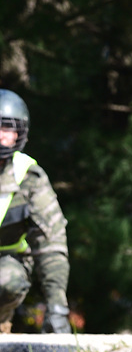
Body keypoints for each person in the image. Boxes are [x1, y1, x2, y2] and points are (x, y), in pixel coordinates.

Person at [0, 90, 71, 333]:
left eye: (7, 128)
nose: (0, 135)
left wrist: (57, 309)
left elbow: (51, 244)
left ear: (19, 134)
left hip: (5, 265)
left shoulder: (29, 177)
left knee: (6, 280)